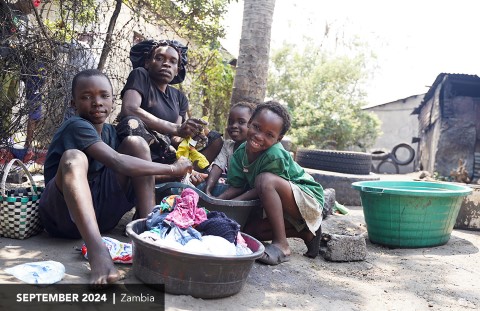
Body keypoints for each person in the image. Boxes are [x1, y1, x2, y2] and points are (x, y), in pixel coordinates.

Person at [38, 69, 192, 287]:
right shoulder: (75, 126)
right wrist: (173, 169)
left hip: (102, 217)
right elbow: (118, 162)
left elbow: (135, 166)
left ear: (113, 100)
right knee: (74, 157)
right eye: (86, 97)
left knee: (136, 144)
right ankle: (97, 252)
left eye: (103, 95)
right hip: (63, 219)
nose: (97, 102)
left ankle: (149, 231)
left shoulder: (111, 132)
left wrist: (180, 170)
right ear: (73, 104)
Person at [217, 101, 324, 265]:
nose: (259, 136)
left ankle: (282, 245)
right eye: (257, 127)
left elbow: (262, 187)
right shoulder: (240, 153)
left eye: (269, 135)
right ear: (250, 121)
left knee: (265, 180)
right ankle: (307, 233)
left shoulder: (275, 154)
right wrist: (219, 202)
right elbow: (237, 186)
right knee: (249, 230)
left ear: (278, 139)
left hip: (308, 199)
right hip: (284, 202)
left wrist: (233, 203)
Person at [116, 39, 223, 173]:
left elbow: (174, 138)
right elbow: (129, 109)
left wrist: (192, 136)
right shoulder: (140, 75)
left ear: (177, 70)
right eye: (159, 58)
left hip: (166, 148)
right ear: (147, 63)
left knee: (215, 139)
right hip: (142, 146)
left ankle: (187, 175)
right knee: (132, 122)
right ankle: (162, 173)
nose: (166, 64)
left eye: (173, 61)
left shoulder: (180, 97)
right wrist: (176, 128)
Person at [194, 101, 256, 195]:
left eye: (241, 122)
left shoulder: (255, 148)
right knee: (200, 187)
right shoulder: (227, 146)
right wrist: (208, 190)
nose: (234, 126)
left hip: (248, 191)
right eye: (231, 122)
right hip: (230, 188)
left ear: (252, 125)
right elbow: (218, 167)